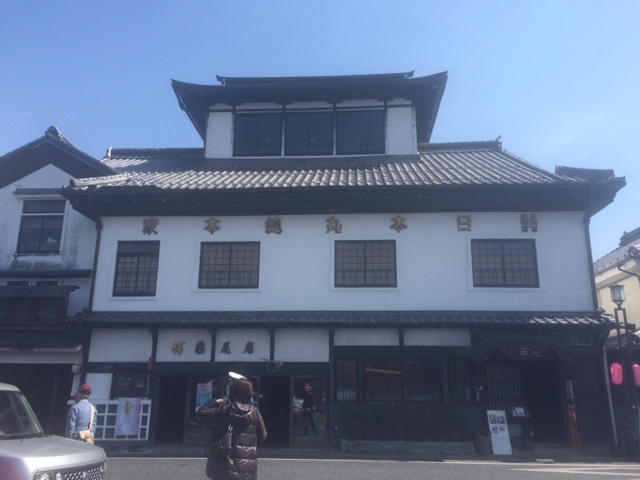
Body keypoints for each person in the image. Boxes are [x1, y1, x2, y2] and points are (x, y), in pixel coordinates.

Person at [197, 376, 267, 480]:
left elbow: (200, 414)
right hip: (247, 467)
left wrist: (216, 401)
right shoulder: (255, 412)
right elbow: (262, 436)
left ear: (232, 392)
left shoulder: (225, 410)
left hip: (223, 465)